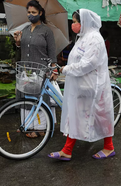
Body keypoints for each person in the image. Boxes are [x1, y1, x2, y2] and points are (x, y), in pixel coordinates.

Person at [48, 9, 115, 161]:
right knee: (75, 114)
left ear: (84, 21)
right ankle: (67, 150)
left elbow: (87, 64)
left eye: (75, 21)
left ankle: (109, 147)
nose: (73, 25)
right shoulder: (83, 37)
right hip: (81, 84)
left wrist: (66, 69)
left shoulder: (95, 38)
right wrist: (65, 67)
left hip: (93, 85)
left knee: (101, 116)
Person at [13, 0, 57, 138]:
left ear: (40, 13)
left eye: (33, 12)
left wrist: (54, 70)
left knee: (39, 99)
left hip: (41, 71)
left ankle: (41, 128)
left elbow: (52, 52)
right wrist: (18, 42)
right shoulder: (25, 30)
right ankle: (28, 125)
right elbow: (21, 49)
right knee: (25, 98)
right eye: (29, 12)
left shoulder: (46, 31)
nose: (30, 15)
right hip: (26, 71)